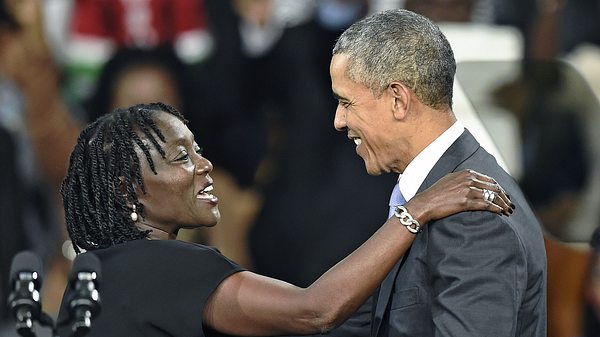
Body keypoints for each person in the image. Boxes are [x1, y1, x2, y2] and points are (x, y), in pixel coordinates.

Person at [55, 102, 512, 337]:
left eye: (197, 149)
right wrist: (417, 211)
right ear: (128, 189)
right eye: (180, 157)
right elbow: (316, 312)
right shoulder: (161, 265)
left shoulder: (108, 273)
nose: (204, 164)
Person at [329, 9, 547, 336]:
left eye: (347, 103)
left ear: (398, 100)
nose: (338, 120)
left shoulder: (476, 218)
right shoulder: (428, 191)